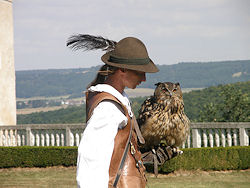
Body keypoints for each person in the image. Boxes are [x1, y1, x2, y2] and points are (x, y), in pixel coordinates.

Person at [67, 35, 158, 187]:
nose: (144, 78)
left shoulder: (119, 99)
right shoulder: (107, 109)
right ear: (122, 69)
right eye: (140, 72)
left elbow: (117, 152)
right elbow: (91, 161)